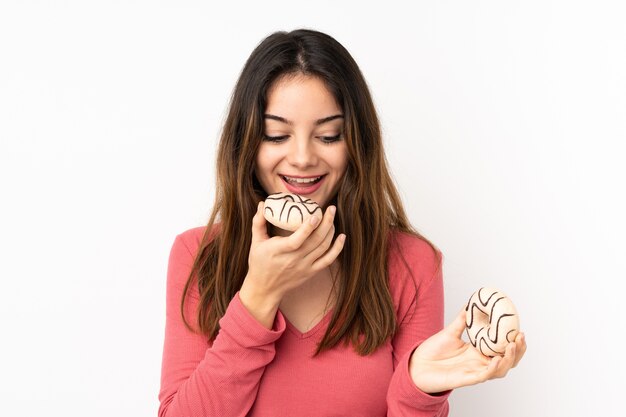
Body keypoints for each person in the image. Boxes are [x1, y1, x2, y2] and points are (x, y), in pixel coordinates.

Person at [158, 28, 526, 417]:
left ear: (356, 142)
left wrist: (417, 388)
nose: (302, 157)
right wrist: (258, 296)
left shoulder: (412, 263)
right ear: (247, 142)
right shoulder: (198, 256)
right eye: (277, 134)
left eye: (329, 136)